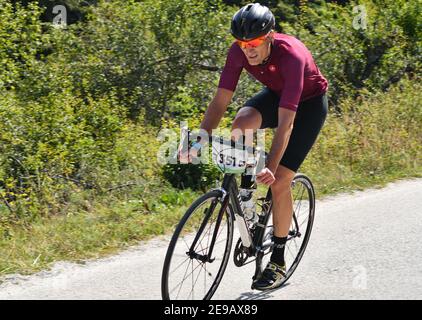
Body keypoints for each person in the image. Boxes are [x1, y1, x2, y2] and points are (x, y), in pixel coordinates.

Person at [181, 3, 328, 291]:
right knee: (242, 121)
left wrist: (272, 169)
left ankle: (278, 259)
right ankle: (247, 188)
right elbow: (221, 99)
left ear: (271, 36)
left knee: (281, 180)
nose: (248, 49)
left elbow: (286, 124)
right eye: (243, 43)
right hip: (276, 94)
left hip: (308, 105)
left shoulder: (292, 56)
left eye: (255, 43)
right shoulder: (238, 52)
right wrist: (199, 138)